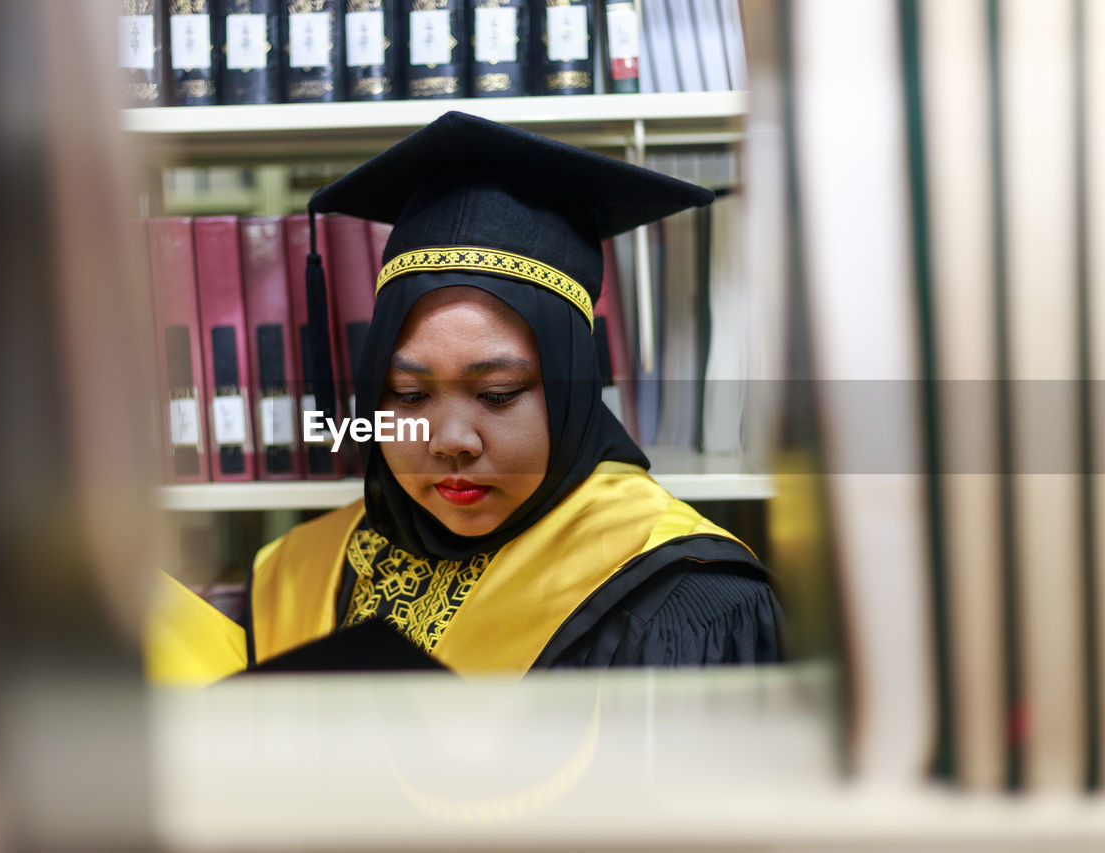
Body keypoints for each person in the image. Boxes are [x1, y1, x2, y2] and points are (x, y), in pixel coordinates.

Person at [146, 112, 782, 683]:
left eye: (499, 394)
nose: (450, 439)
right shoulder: (305, 572)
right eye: (410, 394)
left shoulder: (684, 602)